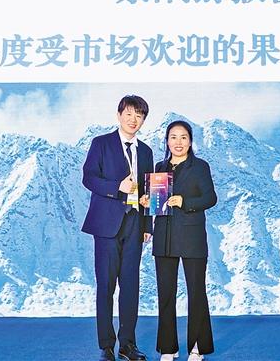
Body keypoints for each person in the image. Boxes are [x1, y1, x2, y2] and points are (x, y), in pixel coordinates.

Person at [82, 95, 153, 361]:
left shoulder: (146, 151)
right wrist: (117, 188)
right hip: (106, 224)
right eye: (129, 114)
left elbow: (148, 191)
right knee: (106, 286)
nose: (134, 120)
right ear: (119, 115)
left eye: (139, 116)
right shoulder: (101, 144)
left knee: (131, 287)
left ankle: (127, 345)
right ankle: (106, 346)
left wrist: (147, 224)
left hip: (135, 224)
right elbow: (88, 178)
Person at [141, 120, 217, 361]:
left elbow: (210, 198)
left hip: (192, 238)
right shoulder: (160, 167)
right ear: (166, 141)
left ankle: (197, 348)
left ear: (191, 141)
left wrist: (185, 202)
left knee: (196, 293)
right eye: (173, 137)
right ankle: (168, 348)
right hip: (164, 237)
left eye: (184, 137)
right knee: (165, 295)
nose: (178, 142)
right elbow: (156, 204)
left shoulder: (200, 167)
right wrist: (147, 202)